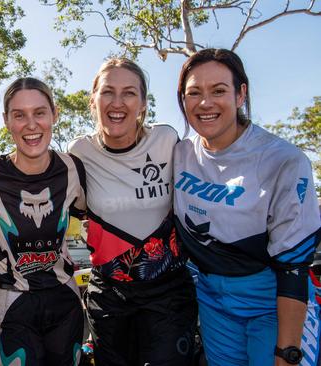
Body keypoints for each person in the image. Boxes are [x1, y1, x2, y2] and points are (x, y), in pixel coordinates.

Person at [173, 48, 321, 366]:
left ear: (241, 94)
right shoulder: (177, 154)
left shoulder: (283, 160)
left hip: (272, 302)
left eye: (219, 91)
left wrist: (288, 353)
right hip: (213, 302)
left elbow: (294, 266)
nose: (205, 103)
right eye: (193, 93)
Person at [68, 58, 197, 366]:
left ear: (142, 104)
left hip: (168, 292)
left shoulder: (166, 141)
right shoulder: (79, 153)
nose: (117, 102)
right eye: (108, 92)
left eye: (129, 93)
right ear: (93, 99)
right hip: (109, 295)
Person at [0, 77, 87, 366]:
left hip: (64, 301)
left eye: (39, 113)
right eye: (19, 115)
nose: (31, 124)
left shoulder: (73, 169)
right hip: (10, 302)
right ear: (7, 121)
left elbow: (87, 219)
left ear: (54, 114)